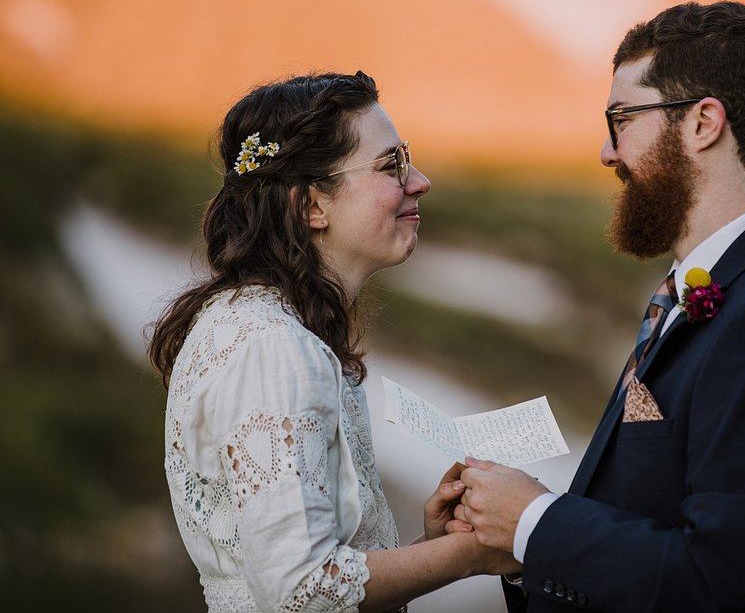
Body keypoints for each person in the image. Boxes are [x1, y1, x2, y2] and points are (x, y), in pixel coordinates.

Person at [451, 2, 745, 612]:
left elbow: (715, 583)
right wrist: (519, 544)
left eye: (621, 118)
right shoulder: (724, 286)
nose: (606, 151)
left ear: (703, 123)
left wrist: (536, 521)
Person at [148, 71, 517, 612]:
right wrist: (475, 553)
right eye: (391, 165)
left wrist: (433, 548)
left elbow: (309, 576)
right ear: (311, 207)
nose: (420, 181)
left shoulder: (263, 327)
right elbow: (303, 590)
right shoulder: (270, 347)